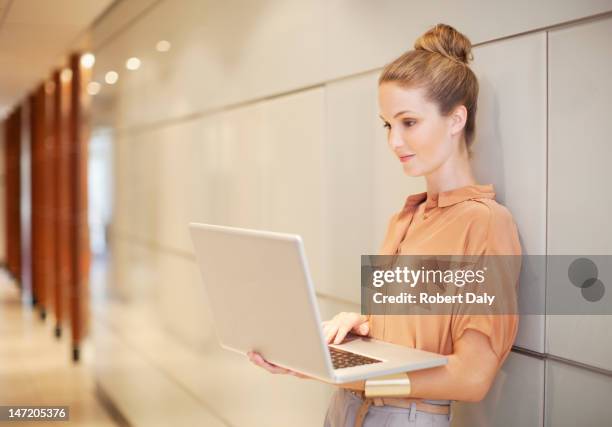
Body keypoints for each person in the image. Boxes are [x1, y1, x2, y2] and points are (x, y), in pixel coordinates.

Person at [248, 23, 521, 427]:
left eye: (408, 122)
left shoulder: (485, 224)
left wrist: (360, 379)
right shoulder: (405, 218)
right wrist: (333, 347)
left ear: (455, 119)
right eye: (388, 125)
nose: (394, 141)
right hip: (345, 411)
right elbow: (403, 340)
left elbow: (472, 376)